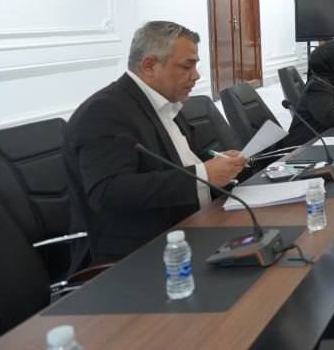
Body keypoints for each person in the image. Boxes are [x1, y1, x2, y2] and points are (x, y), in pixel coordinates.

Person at [64, 21, 248, 263]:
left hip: (198, 224)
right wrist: (204, 175)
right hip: (141, 253)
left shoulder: (165, 102)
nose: (196, 75)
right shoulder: (104, 112)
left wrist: (220, 162)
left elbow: (181, 159)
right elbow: (108, 191)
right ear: (149, 66)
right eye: (187, 66)